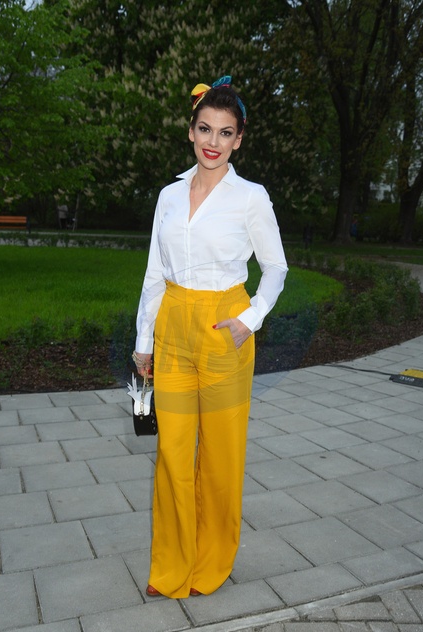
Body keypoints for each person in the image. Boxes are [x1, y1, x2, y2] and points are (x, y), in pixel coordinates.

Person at [133, 75, 288, 599]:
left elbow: (275, 268)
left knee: (220, 458)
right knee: (172, 456)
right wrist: (144, 342)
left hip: (225, 329)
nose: (213, 142)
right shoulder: (169, 196)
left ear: (238, 139)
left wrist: (251, 318)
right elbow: (155, 272)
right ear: (191, 130)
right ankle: (170, 567)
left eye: (225, 133)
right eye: (205, 129)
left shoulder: (251, 198)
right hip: (173, 325)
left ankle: (212, 563)